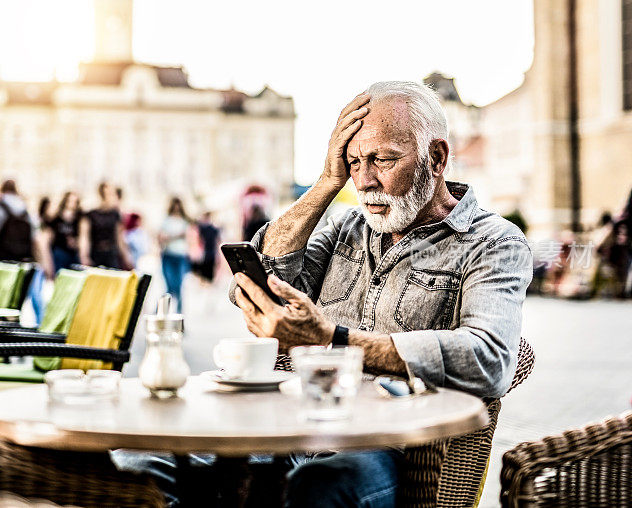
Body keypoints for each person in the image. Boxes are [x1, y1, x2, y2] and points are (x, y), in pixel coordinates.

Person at [223, 82, 534, 507]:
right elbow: (267, 287)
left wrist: (331, 340)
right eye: (353, 162)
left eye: (383, 160)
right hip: (299, 427)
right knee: (167, 468)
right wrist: (327, 182)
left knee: (317, 486)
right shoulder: (344, 226)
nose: (365, 180)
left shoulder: (493, 242)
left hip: (398, 450)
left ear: (437, 158)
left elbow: (489, 359)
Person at [79, 182, 130, 270]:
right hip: (95, 254)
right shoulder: (90, 215)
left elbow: (120, 238)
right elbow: (84, 238)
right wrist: (84, 256)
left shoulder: (115, 215)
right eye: (110, 194)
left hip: (111, 254)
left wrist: (127, 258)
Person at [158, 197, 191, 312]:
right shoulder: (167, 220)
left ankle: (179, 313)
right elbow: (162, 237)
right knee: (170, 286)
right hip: (168, 255)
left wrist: (171, 236)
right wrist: (177, 235)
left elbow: (189, 237)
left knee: (179, 286)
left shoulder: (184, 221)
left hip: (181, 256)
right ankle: (160, 310)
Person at [48, 192, 82, 273]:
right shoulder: (57, 217)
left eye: (75, 202)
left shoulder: (79, 217)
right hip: (60, 250)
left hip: (73, 252)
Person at [192, 211, 221, 284]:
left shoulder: (213, 228)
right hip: (204, 250)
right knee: (203, 268)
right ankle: (204, 282)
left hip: (211, 251)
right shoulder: (202, 228)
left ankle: (207, 282)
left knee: (209, 269)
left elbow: (217, 240)